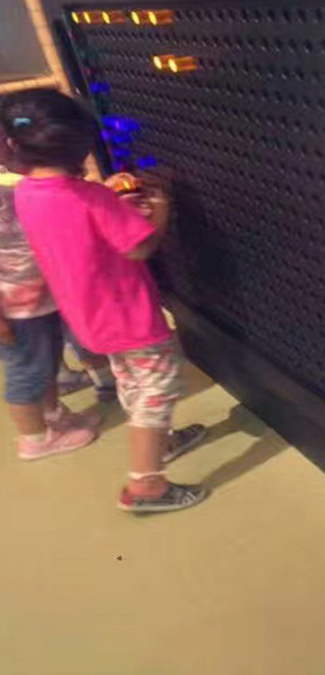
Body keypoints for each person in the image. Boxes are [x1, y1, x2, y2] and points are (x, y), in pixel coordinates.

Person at [1, 88, 208, 513]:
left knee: (133, 385)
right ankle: (146, 486)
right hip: (130, 317)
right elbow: (138, 247)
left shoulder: (26, 193)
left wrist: (107, 200)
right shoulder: (92, 199)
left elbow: (72, 219)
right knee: (156, 391)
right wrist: (161, 209)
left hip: (89, 318)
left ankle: (162, 443)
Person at [0, 161, 100, 459]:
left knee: (47, 362)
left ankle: (53, 416)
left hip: (37, 296)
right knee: (26, 371)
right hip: (13, 308)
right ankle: (34, 438)